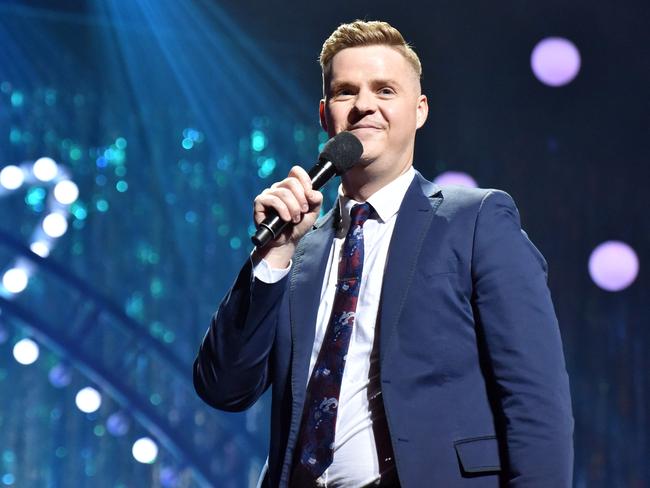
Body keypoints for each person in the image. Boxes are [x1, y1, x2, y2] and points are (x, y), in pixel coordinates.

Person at [194, 20, 574, 488]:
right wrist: (274, 256)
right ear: (324, 113)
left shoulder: (476, 221)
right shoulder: (297, 249)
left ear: (420, 110)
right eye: (345, 92)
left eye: (385, 90)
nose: (364, 105)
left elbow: (535, 400)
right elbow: (223, 388)